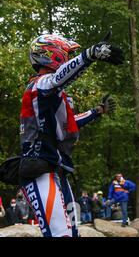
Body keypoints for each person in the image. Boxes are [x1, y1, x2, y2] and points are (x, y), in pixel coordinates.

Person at [19, 32, 123, 237]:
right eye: (65, 54)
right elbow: (59, 78)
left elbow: (70, 123)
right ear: (52, 53)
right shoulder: (40, 84)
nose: (66, 58)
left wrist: (96, 111)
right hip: (39, 170)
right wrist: (90, 55)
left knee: (72, 233)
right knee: (61, 235)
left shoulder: (50, 93)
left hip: (55, 170)